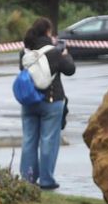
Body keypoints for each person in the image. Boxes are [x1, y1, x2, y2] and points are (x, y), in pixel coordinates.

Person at [18, 17, 75, 190]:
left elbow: (23, 71)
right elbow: (70, 70)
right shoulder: (54, 52)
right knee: (49, 140)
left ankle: (28, 178)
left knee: (29, 140)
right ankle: (46, 180)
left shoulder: (25, 52)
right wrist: (66, 55)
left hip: (29, 101)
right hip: (51, 101)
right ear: (48, 32)